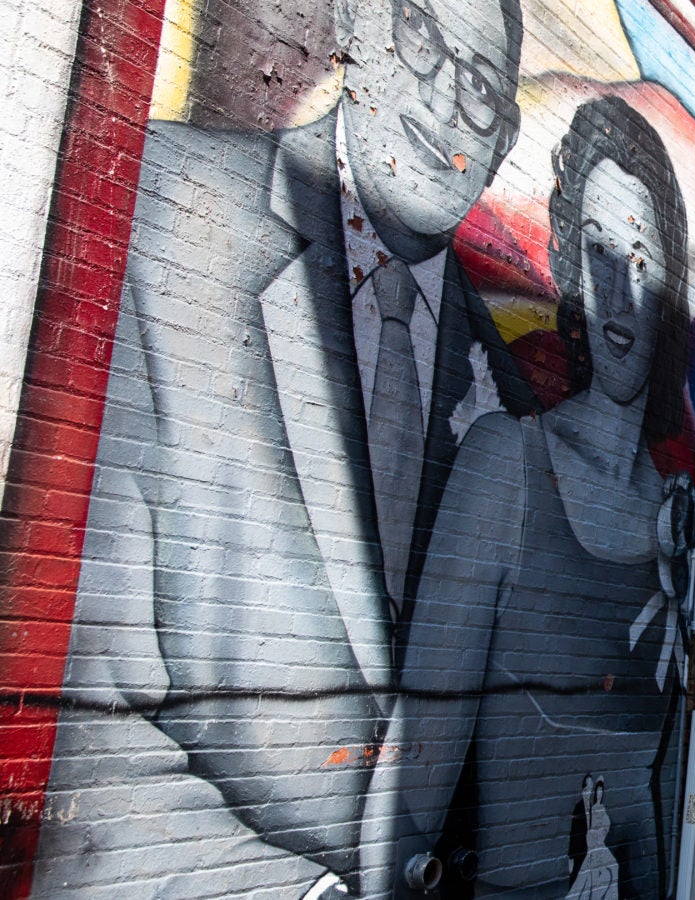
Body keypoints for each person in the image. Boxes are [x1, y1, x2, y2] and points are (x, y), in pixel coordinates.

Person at [34, 0, 533, 894]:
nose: (451, 99)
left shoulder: (509, 400)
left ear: (504, 142)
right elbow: (82, 728)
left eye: (486, 89)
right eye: (423, 39)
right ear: (354, 26)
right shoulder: (163, 209)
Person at [369, 94, 693, 898]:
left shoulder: (683, 523)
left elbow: (680, 783)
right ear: (570, 273)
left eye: (645, 263)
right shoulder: (505, 467)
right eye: (599, 254)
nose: (621, 296)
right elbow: (418, 778)